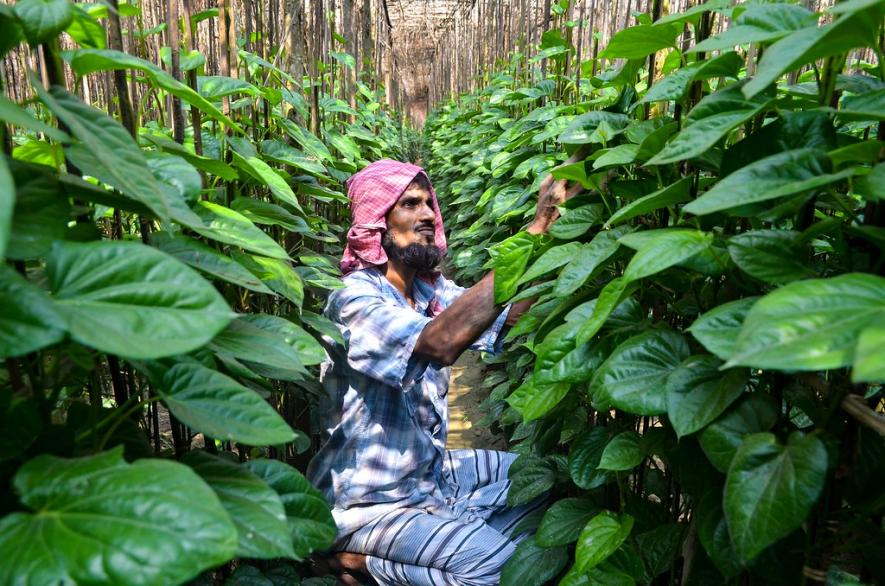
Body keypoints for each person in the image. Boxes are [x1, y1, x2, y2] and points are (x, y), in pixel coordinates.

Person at [307, 158, 583, 585]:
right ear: (377, 221)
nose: (428, 215)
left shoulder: (428, 292)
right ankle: (361, 564)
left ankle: (443, 542)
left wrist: (557, 227)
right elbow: (441, 342)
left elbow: (509, 316)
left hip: (428, 475)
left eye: (428, 204)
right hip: (370, 503)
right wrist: (538, 226)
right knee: (501, 567)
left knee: (546, 479)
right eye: (410, 205)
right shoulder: (354, 302)